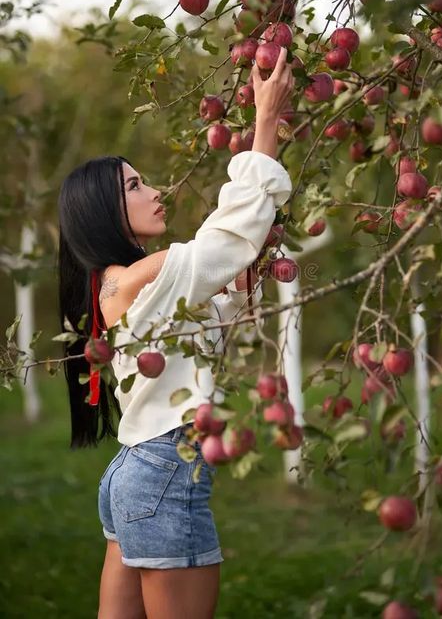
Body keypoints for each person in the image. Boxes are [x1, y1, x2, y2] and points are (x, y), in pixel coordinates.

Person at [56, 47, 295, 619]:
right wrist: (263, 126)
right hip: (165, 468)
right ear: (103, 212)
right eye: (135, 186)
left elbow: (218, 316)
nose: (154, 189)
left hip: (136, 469)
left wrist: (245, 274)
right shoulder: (144, 275)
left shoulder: (116, 284)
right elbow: (224, 239)